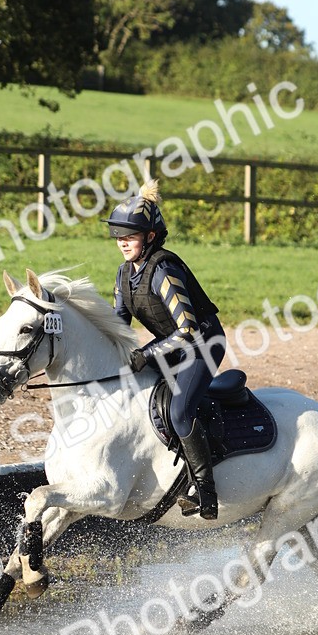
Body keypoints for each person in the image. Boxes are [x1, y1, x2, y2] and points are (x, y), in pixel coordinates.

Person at [105, 180, 226, 520]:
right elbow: (118, 327)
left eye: (129, 236)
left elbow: (187, 329)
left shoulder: (163, 270)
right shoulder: (124, 273)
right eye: (118, 236)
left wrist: (146, 354)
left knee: (179, 412)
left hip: (202, 343)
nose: (122, 242)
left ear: (151, 238)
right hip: (170, 345)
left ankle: (205, 493)